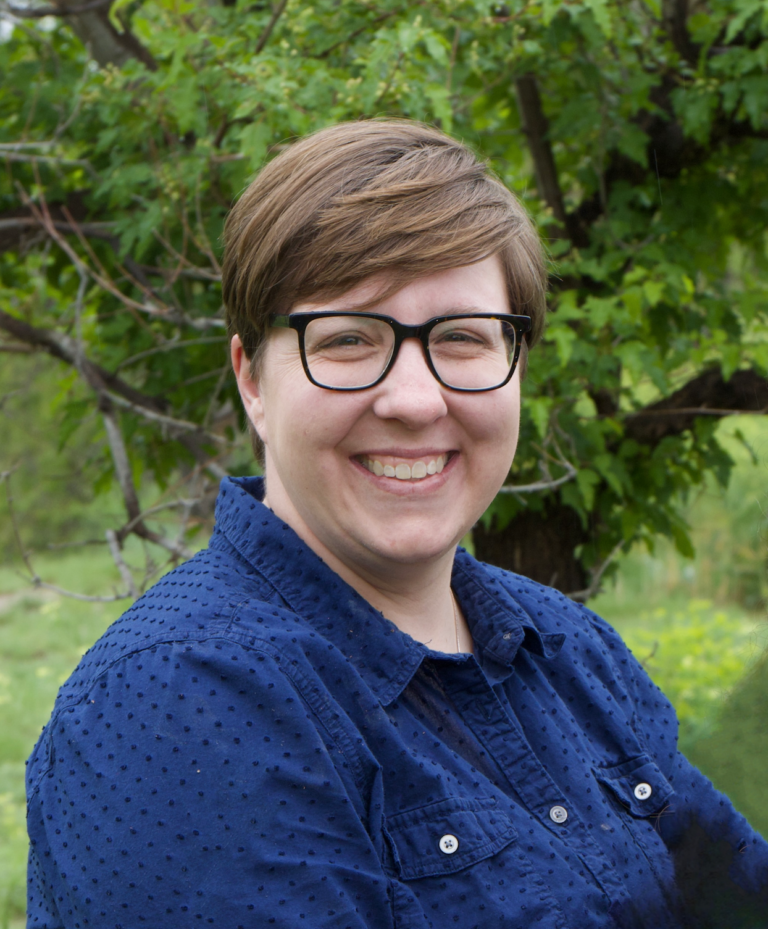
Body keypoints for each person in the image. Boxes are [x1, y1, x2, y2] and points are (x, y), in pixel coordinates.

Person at [26, 120, 768, 929]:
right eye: (348, 340)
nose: (415, 401)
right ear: (252, 381)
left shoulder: (566, 649)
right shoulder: (176, 707)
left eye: (462, 339)